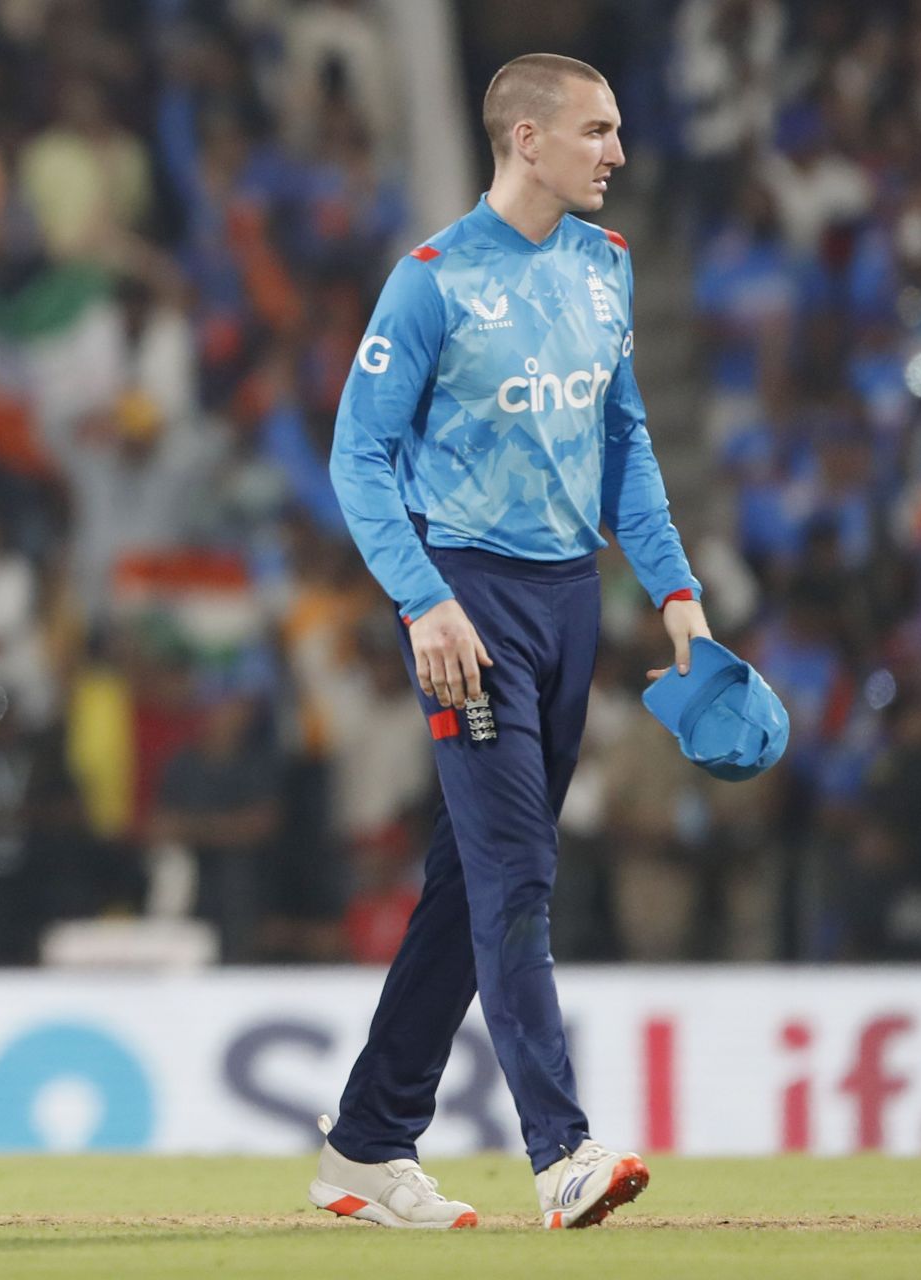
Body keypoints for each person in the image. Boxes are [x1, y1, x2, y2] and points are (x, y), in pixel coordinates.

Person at [318, 53, 707, 1231]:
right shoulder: (431, 281)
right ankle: (562, 1152)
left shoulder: (609, 269)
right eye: (598, 130)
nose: (619, 153)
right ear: (527, 141)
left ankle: (368, 1141)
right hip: (469, 601)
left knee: (467, 880)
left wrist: (675, 587)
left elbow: (625, 441)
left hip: (571, 598)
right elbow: (358, 456)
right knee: (517, 872)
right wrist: (424, 599)